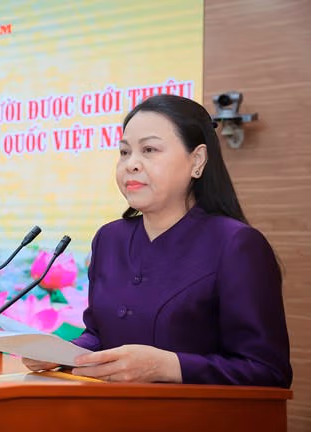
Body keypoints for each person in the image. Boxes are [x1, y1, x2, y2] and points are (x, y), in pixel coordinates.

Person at [23, 94, 292, 387]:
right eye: (124, 152)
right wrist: (61, 353)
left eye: (149, 149)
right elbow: (98, 336)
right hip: (106, 409)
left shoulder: (237, 244)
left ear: (197, 161)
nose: (131, 164)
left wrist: (170, 367)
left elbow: (268, 372)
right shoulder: (109, 239)